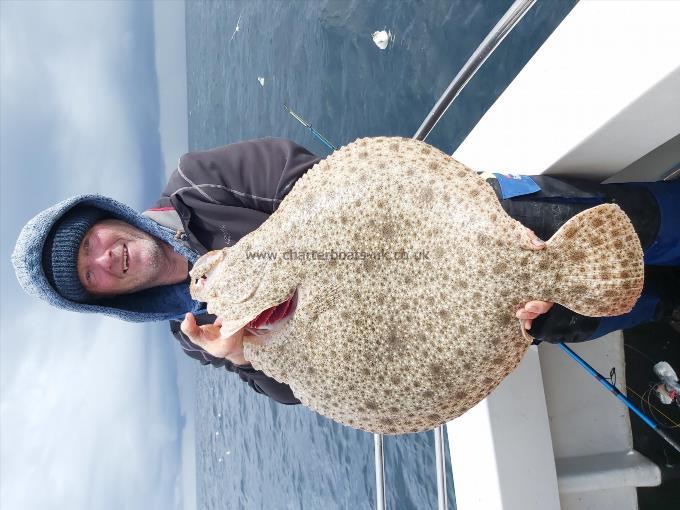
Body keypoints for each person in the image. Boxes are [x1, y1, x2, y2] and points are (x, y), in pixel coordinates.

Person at [12, 137, 680, 406]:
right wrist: (245, 353)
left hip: (489, 223)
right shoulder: (199, 333)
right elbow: (306, 392)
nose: (103, 257)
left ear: (105, 216)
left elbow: (326, 178)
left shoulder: (199, 182)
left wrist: (274, 269)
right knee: (643, 304)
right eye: (89, 275)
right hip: (493, 316)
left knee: (653, 223)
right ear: (106, 298)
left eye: (89, 240)